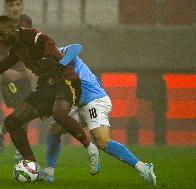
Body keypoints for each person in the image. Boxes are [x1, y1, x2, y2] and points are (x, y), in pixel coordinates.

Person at [0, 15, 100, 177]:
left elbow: (48, 42)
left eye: (2, 33)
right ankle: (33, 166)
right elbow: (1, 67)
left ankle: (91, 148)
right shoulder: (16, 49)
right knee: (11, 122)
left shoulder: (31, 35)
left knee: (59, 114)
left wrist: (48, 57)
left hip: (65, 80)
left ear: (13, 27)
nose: (0, 38)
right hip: (46, 86)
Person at [43, 44, 157, 186]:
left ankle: (144, 168)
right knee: (55, 129)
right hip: (83, 105)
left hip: (95, 101)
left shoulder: (57, 53)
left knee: (102, 141)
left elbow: (76, 47)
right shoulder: (45, 67)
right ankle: (48, 173)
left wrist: (61, 65)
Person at [0, 0, 34, 159]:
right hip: (7, 78)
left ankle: (2, 130)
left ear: (22, 6)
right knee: (23, 109)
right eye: (11, 5)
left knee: (28, 109)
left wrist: (30, 66)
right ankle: (21, 149)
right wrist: (5, 72)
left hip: (23, 75)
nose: (15, 8)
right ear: (6, 7)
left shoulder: (26, 22)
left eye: (18, 4)